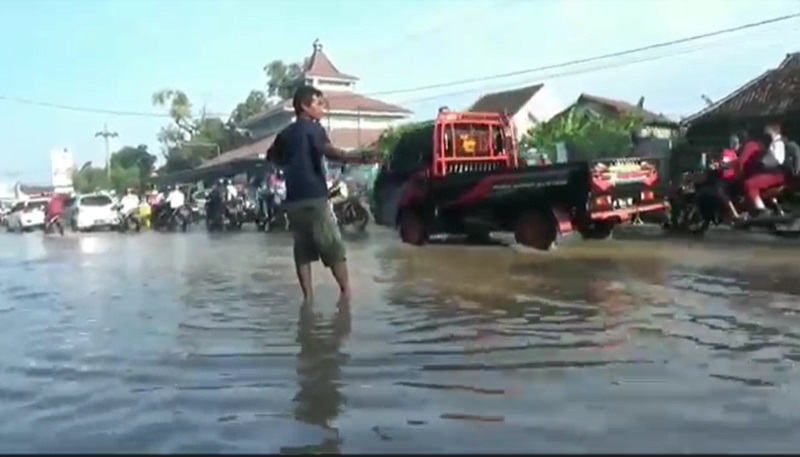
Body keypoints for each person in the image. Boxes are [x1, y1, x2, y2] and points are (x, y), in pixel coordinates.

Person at [267, 85, 371, 303]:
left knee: (302, 250)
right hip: (315, 195)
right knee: (333, 247)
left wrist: (290, 162)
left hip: (293, 200)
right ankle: (346, 295)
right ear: (305, 106)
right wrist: (351, 156)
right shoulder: (314, 129)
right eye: (319, 103)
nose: (322, 108)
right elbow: (328, 150)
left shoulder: (285, 134)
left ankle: (308, 299)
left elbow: (273, 157)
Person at [743, 123, 786, 216]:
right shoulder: (774, 143)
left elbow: (778, 159)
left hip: (775, 173)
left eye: (767, 132)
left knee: (750, 184)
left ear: (773, 132)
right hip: (774, 172)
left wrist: (763, 163)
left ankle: (762, 209)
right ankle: (776, 208)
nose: (765, 135)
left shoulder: (778, 143)